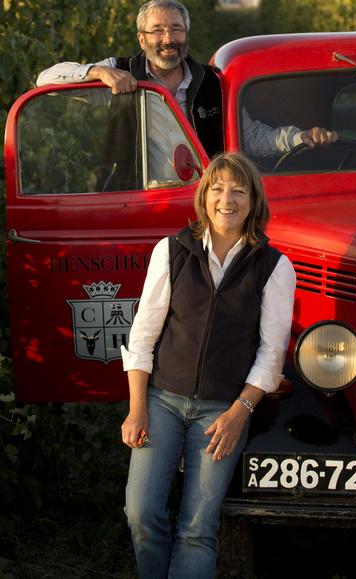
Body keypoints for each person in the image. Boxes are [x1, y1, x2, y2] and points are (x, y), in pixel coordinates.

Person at [120, 151, 296, 578]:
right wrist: (137, 406)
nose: (226, 200)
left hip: (223, 411)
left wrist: (241, 412)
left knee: (198, 527)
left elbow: (272, 356)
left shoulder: (274, 267)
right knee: (140, 512)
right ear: (204, 197)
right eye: (217, 188)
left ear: (253, 201)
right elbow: (142, 336)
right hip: (160, 400)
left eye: (238, 190)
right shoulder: (171, 251)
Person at [36, 0, 337, 157]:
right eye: (157, 30)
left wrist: (300, 137)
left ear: (187, 35)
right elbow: (46, 80)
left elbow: (252, 137)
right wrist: (98, 72)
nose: (168, 39)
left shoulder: (212, 83)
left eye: (176, 29)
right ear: (142, 39)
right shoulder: (120, 70)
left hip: (202, 203)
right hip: (136, 203)